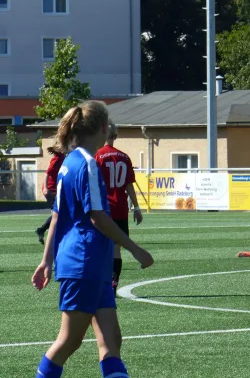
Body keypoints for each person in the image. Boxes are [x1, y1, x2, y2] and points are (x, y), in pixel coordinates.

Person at [31, 101, 154, 378]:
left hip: (93, 262)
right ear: (102, 127)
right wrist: (135, 249)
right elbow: (97, 217)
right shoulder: (86, 164)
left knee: (111, 341)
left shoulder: (69, 162)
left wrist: (46, 260)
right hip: (84, 262)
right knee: (69, 341)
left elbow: (57, 216)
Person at [96, 121, 143, 296]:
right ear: (115, 136)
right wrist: (137, 207)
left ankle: (101, 283)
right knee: (116, 249)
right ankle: (113, 284)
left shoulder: (97, 156)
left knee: (97, 247)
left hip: (102, 209)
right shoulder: (124, 157)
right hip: (121, 208)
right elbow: (130, 185)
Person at [35, 147, 65, 245]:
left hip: (55, 189)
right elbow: (47, 173)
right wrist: (46, 188)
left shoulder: (62, 157)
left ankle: (42, 230)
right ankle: (42, 230)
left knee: (59, 213)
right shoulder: (58, 158)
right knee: (58, 213)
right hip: (51, 190)